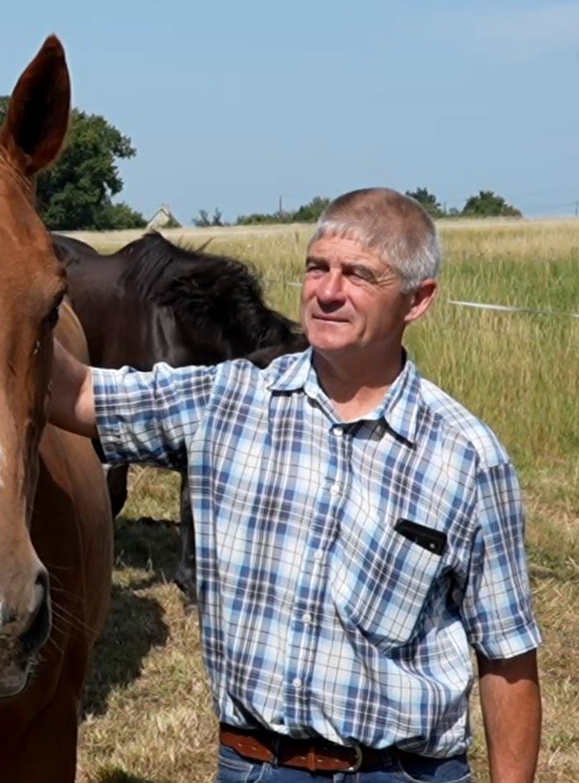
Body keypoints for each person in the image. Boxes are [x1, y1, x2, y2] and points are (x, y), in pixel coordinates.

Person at [49, 188, 541, 782]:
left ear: (418, 300)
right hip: (254, 766)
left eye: (359, 275)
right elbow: (77, 393)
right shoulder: (227, 400)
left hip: (398, 771)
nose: (328, 291)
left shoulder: (466, 457)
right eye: (317, 268)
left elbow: (508, 656)